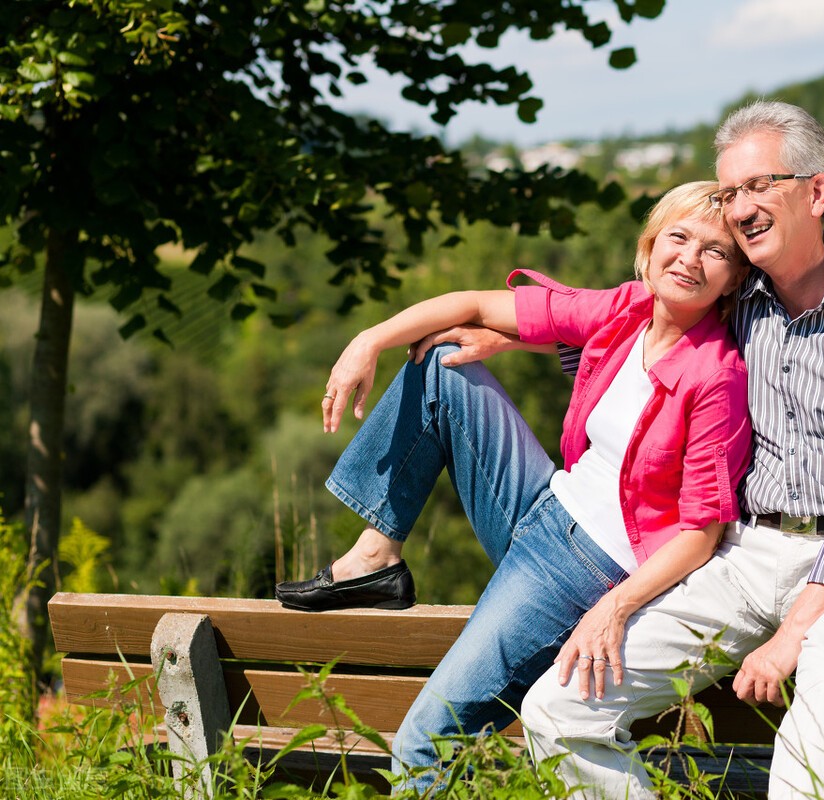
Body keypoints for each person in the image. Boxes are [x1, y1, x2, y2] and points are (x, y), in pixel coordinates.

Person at [428, 100, 824, 799]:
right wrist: (513, 337)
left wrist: (793, 633)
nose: (741, 208)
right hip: (743, 556)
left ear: (817, 191)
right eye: (731, 193)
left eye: (761, 185)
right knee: (560, 707)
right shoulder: (738, 294)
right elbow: (633, 321)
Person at [273, 181, 754, 794]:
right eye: (679, 238)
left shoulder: (717, 373)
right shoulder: (628, 309)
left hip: (583, 570)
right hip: (541, 505)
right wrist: (368, 341)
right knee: (443, 363)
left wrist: (614, 608)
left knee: (423, 745)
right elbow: (474, 302)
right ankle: (375, 554)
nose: (690, 258)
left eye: (715, 251)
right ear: (649, 246)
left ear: (734, 278)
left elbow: (702, 533)